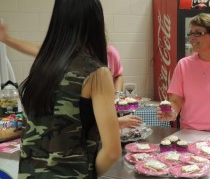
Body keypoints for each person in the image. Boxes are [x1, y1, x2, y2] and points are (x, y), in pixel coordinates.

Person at [15, 0, 122, 179]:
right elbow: (112, 151)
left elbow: (56, 122)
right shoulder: (96, 72)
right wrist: (85, 174)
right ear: (94, 22)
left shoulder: (42, 65)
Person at [0, 22, 142, 128]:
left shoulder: (109, 52)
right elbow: (38, 49)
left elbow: (118, 75)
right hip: (83, 122)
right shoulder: (67, 55)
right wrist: (7, 39)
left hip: (103, 115)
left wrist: (116, 94)